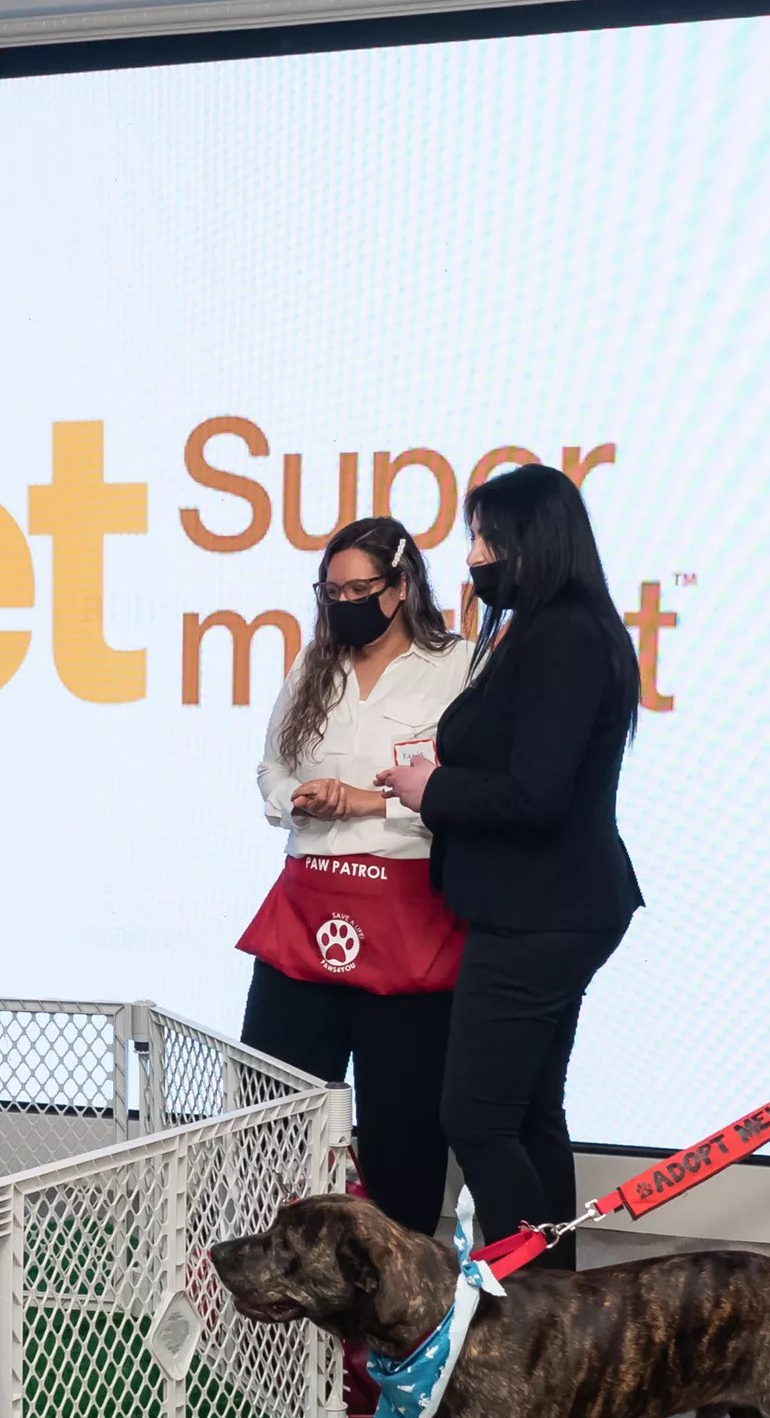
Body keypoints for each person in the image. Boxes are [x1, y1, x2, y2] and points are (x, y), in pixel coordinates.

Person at [377, 464, 642, 1268]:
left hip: (541, 912)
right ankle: (558, 1307)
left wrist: (433, 789)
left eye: (487, 539)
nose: (473, 557)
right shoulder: (552, 628)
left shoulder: (563, 636)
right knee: (527, 1116)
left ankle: (530, 1303)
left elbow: (538, 794)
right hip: (551, 906)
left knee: (478, 1118)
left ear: (535, 541)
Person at [237, 514, 472, 1238]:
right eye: (331, 591)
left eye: (360, 590)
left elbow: (470, 789)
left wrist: (370, 802)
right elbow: (271, 767)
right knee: (268, 1110)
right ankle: (273, 1267)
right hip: (308, 906)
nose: (343, 604)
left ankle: (400, 1284)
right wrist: (296, 800)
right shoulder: (315, 664)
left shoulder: (458, 666)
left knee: (405, 1125)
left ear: (401, 586)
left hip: (408, 913)